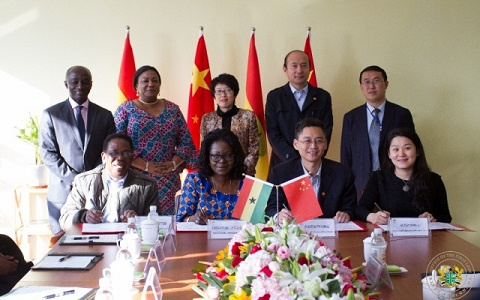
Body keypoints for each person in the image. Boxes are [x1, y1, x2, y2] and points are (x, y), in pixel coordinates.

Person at [40, 66, 116, 235]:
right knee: (62, 247)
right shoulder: (51, 115)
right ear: (66, 84)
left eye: (85, 81)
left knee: (99, 245)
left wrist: (91, 178)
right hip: (62, 193)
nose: (80, 86)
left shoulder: (105, 115)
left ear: (91, 84)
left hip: (98, 191)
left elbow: (110, 151)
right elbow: (48, 153)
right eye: (75, 81)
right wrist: (76, 179)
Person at [115, 65, 197, 215]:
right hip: (136, 178)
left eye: (155, 81)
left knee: (167, 226)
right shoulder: (125, 110)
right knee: (136, 223)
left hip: (168, 179)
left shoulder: (173, 110)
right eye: (145, 81)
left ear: (159, 86)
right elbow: (116, 147)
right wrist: (146, 166)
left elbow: (186, 143)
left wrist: (173, 164)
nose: (150, 84)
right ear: (136, 86)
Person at [341, 65, 415, 202]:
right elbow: (346, 155)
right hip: (360, 184)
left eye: (376, 81)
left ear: (386, 84)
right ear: (361, 87)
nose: (371, 86)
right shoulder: (351, 118)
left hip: (394, 182)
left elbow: (411, 150)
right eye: (367, 82)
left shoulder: (401, 114)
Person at [265, 118, 356, 223]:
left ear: (325, 144)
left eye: (319, 141)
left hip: (330, 235)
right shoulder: (280, 173)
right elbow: (271, 209)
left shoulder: (343, 174)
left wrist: (346, 214)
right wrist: (278, 216)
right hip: (294, 235)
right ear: (296, 144)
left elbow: (351, 208)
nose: (313, 146)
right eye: (307, 141)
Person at [59, 133, 158, 230]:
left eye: (126, 153)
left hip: (129, 241)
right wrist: (84, 216)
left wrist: (138, 220)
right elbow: (65, 218)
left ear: (132, 157)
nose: (120, 158)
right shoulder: (84, 182)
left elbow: (157, 224)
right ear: (103, 157)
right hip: (92, 243)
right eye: (113, 153)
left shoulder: (147, 186)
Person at [355, 128, 452, 224]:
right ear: (389, 153)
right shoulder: (378, 178)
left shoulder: (434, 180)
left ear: (417, 151)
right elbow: (360, 209)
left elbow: (445, 217)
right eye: (395, 149)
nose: (401, 154)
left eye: (407, 148)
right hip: (389, 237)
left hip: (425, 237)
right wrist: (372, 217)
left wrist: (433, 218)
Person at [265, 50, 333, 174]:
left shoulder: (323, 97)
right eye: (294, 66)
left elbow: (326, 130)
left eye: (303, 65)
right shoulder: (275, 97)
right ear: (285, 69)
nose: (299, 70)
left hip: (314, 164)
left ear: (309, 68)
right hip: (282, 163)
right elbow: (273, 132)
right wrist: (293, 159)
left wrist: (311, 157)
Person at [176, 129, 245, 224]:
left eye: (228, 155)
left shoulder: (247, 184)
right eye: (216, 156)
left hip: (239, 238)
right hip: (201, 238)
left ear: (235, 156)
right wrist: (194, 219)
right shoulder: (195, 180)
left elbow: (256, 224)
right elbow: (182, 219)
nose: (222, 161)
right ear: (207, 157)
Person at [200, 73, 259, 176]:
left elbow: (254, 148)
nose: (223, 95)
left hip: (242, 172)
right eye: (219, 91)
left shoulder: (248, 116)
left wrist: (243, 169)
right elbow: (204, 148)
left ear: (234, 93)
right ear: (214, 95)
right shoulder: (207, 118)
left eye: (228, 90)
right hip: (215, 173)